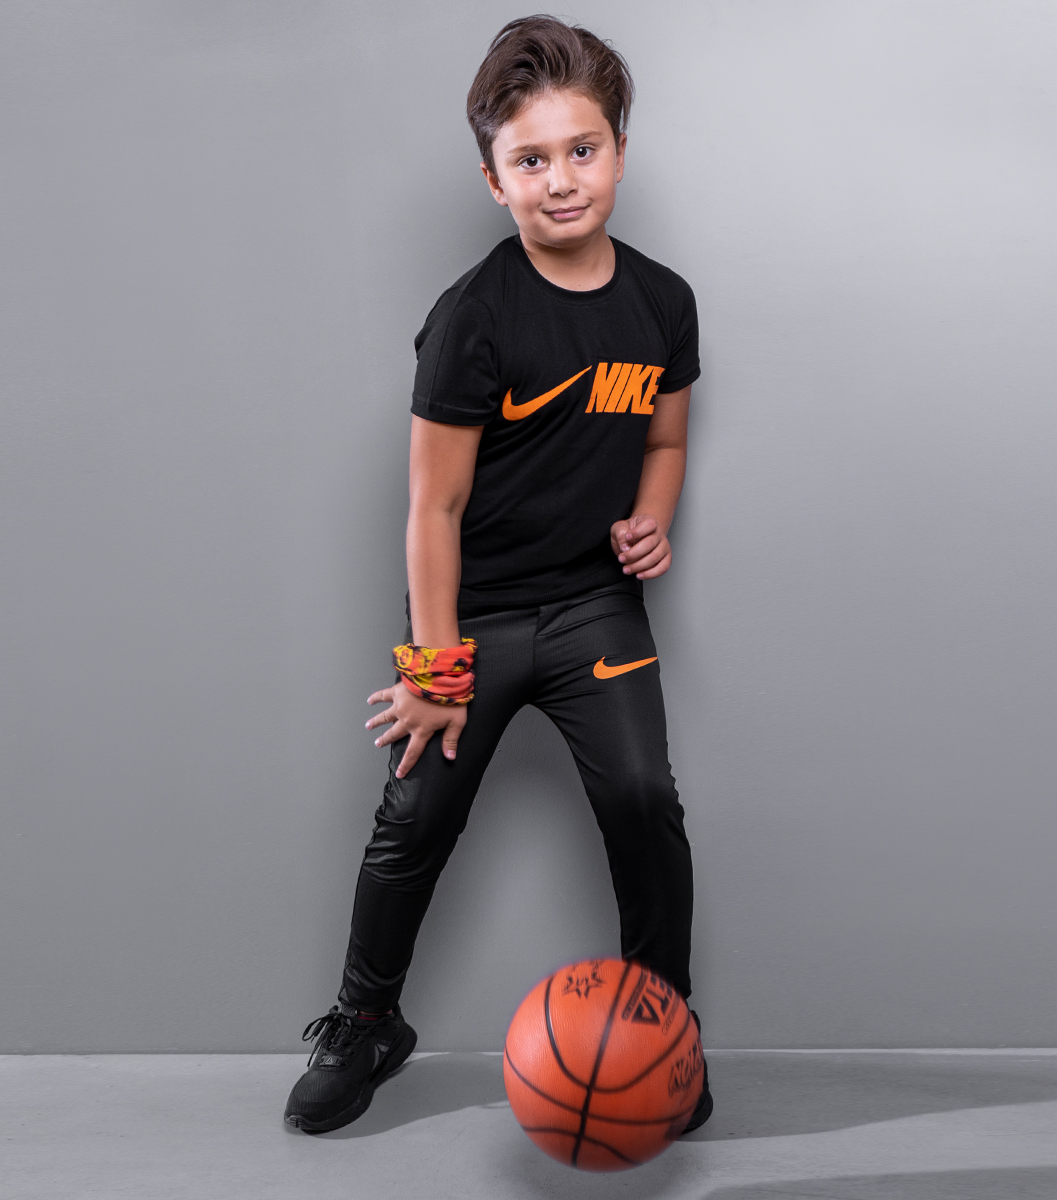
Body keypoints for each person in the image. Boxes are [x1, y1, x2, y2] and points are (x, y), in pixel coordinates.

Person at [284, 14, 710, 1136]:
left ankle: (664, 1030)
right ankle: (365, 1022)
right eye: (531, 160)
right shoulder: (473, 318)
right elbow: (432, 507)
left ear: (620, 152)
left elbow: (665, 439)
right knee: (415, 817)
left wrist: (652, 520)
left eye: (583, 150)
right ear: (493, 179)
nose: (561, 180)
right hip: (469, 615)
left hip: (593, 606)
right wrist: (435, 669)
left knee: (643, 800)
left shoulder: (664, 302)